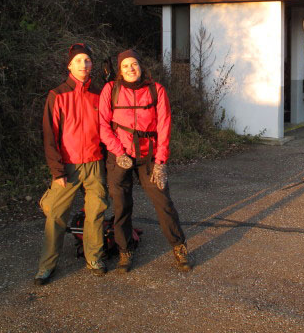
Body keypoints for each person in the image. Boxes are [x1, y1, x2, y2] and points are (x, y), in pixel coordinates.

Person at [99, 49, 192, 273]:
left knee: (163, 203)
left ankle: (179, 247)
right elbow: (102, 125)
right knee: (121, 205)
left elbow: (164, 127)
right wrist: (118, 152)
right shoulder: (110, 89)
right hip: (119, 156)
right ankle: (125, 251)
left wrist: (160, 162)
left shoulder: (156, 90)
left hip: (149, 155)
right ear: (119, 70)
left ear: (141, 66)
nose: (131, 69)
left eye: (134, 64)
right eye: (125, 66)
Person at [35, 43, 108, 285]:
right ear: (69, 65)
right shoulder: (57, 95)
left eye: (87, 60)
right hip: (68, 165)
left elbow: (107, 128)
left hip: (95, 163)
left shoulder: (100, 93)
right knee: (55, 214)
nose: (83, 64)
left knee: (96, 213)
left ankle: (94, 258)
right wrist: (56, 171)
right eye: (78, 60)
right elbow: (50, 136)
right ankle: (46, 266)